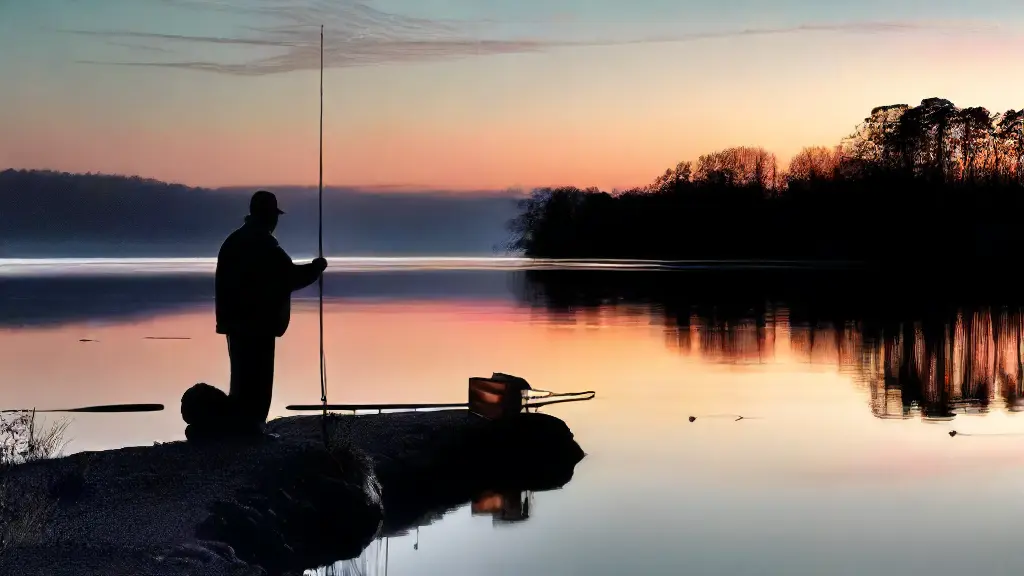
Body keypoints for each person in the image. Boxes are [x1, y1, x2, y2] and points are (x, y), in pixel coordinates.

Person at [215, 190, 327, 436]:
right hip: (258, 325)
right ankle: (253, 429)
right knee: (259, 380)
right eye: (274, 216)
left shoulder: (233, 241)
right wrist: (316, 268)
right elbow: (290, 277)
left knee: (242, 378)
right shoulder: (264, 244)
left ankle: (242, 428)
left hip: (236, 324)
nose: (276, 222)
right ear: (267, 217)